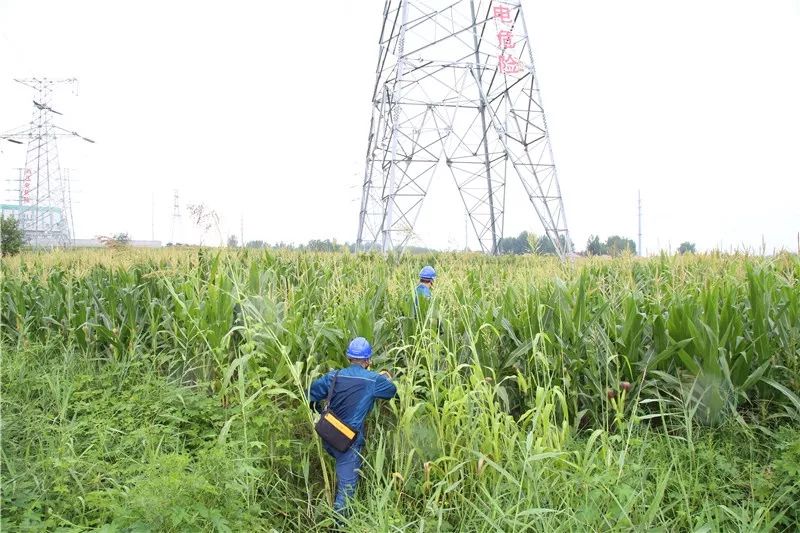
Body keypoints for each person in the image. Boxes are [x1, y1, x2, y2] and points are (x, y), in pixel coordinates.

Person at [309, 337, 397, 516]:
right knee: (346, 493)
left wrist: (319, 411)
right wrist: (383, 377)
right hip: (347, 443)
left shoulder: (333, 376)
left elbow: (310, 393)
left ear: (349, 358)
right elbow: (391, 391)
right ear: (368, 360)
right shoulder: (373, 380)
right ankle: (340, 523)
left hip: (327, 435)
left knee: (343, 476)